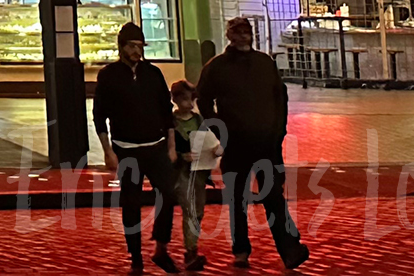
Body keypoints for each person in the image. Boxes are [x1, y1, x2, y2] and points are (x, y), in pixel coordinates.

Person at [197, 17, 309, 270]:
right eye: (237, 33)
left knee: (272, 198)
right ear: (229, 36)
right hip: (236, 143)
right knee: (238, 199)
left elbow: (280, 97)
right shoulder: (217, 67)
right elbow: (203, 100)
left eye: (246, 33)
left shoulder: (264, 63)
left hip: (266, 143)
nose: (242, 37)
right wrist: (220, 130)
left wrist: (279, 131)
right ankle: (241, 249)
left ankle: (290, 249)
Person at [94, 21, 178, 273]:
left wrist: (171, 145)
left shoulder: (152, 74)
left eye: (140, 46)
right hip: (126, 148)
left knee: (168, 192)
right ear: (121, 47)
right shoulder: (108, 75)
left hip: (155, 145)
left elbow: (166, 112)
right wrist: (108, 151)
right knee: (131, 203)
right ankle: (136, 256)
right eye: (132, 46)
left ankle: (160, 246)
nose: (136, 51)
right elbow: (100, 115)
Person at [162, 77, 217, 273]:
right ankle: (190, 250)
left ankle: (192, 247)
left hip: (199, 172)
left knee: (198, 210)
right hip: (182, 173)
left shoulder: (198, 120)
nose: (189, 103)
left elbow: (209, 141)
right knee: (190, 209)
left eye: (191, 99)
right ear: (176, 99)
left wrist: (214, 150)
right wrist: (180, 157)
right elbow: (168, 149)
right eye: (184, 98)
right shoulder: (171, 122)